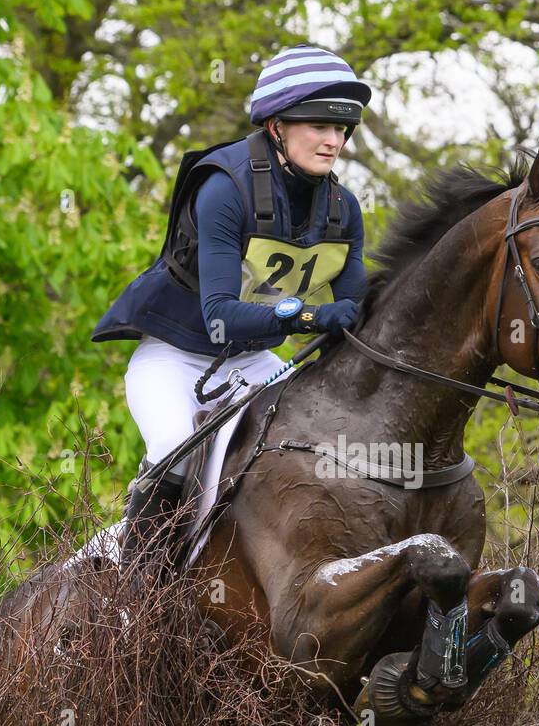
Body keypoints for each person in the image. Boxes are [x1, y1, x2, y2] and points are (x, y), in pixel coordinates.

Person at [92, 45, 371, 567]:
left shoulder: (343, 208)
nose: (334, 141)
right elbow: (220, 315)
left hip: (254, 364)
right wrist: (310, 317)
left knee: (315, 446)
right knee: (177, 448)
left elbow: (354, 311)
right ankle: (133, 590)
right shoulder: (224, 188)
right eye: (319, 125)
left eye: (344, 129)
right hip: (176, 359)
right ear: (276, 126)